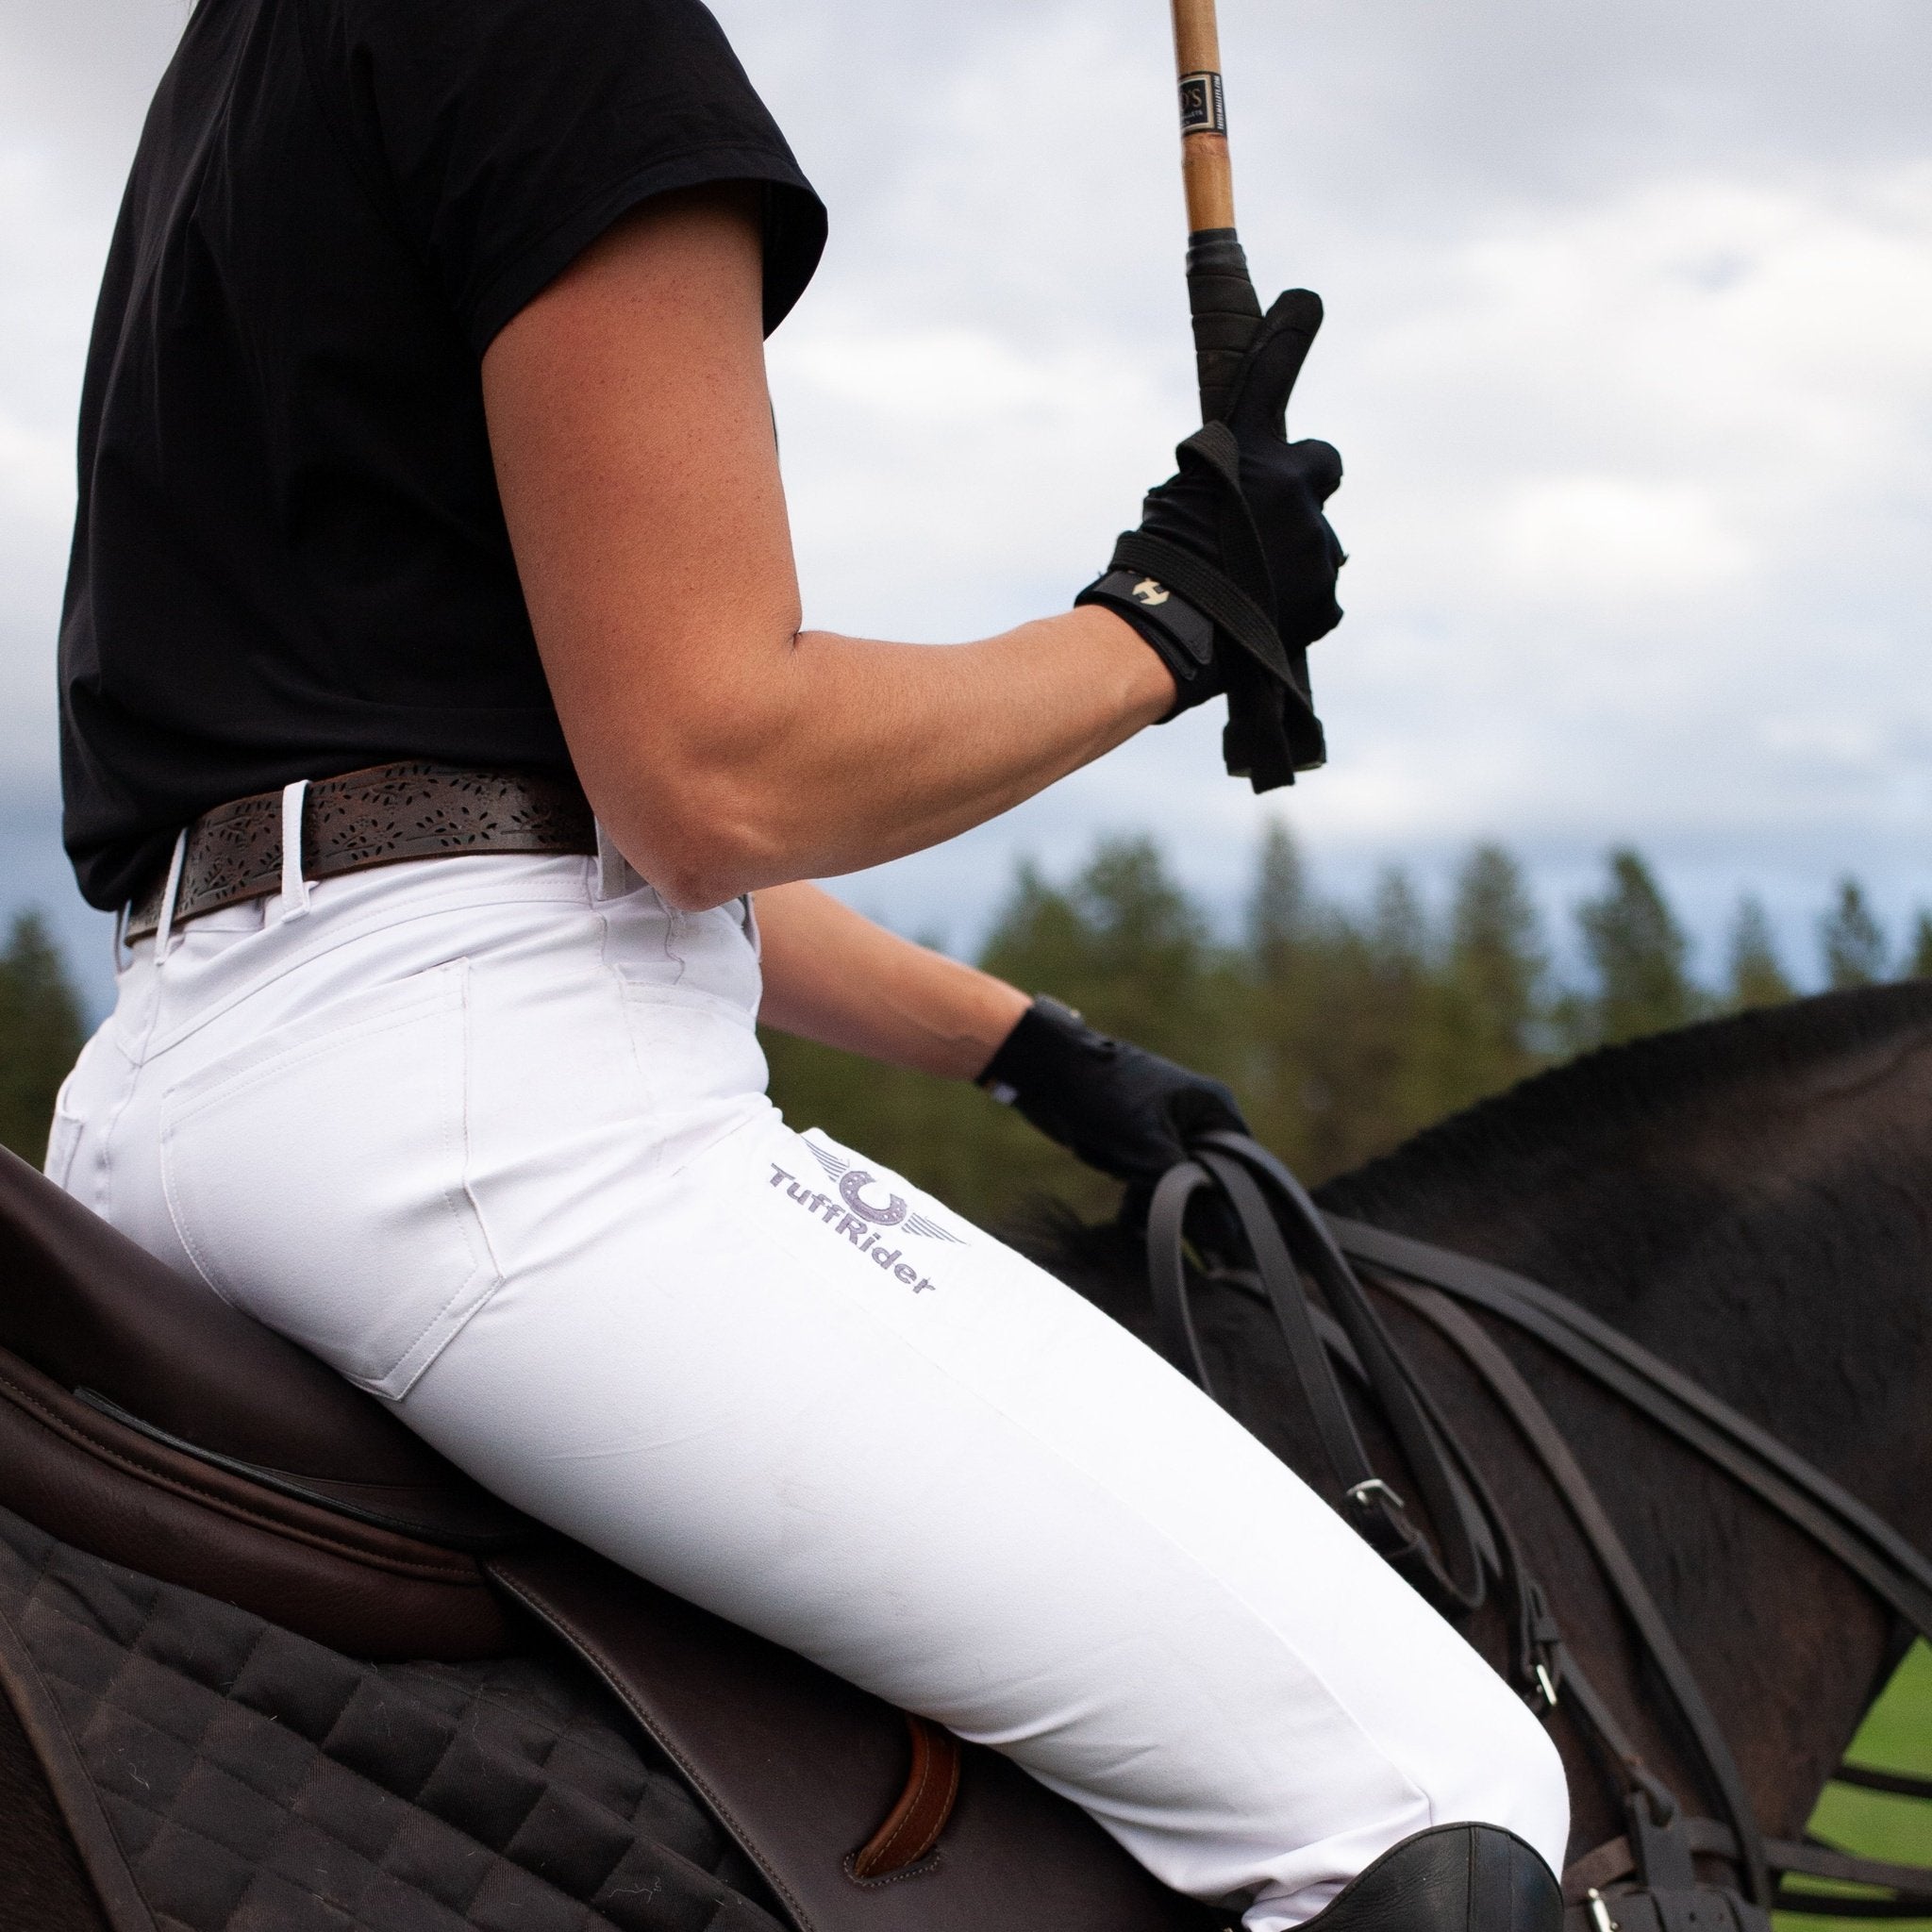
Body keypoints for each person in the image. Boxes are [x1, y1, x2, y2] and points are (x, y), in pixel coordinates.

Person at [47, 0, 1569, 1924]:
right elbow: (705, 772)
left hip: (170, 1118)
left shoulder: (238, 62)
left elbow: (484, 822)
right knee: (1434, 1789)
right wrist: (1169, 620)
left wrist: (1029, 1046)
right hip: (482, 1133)